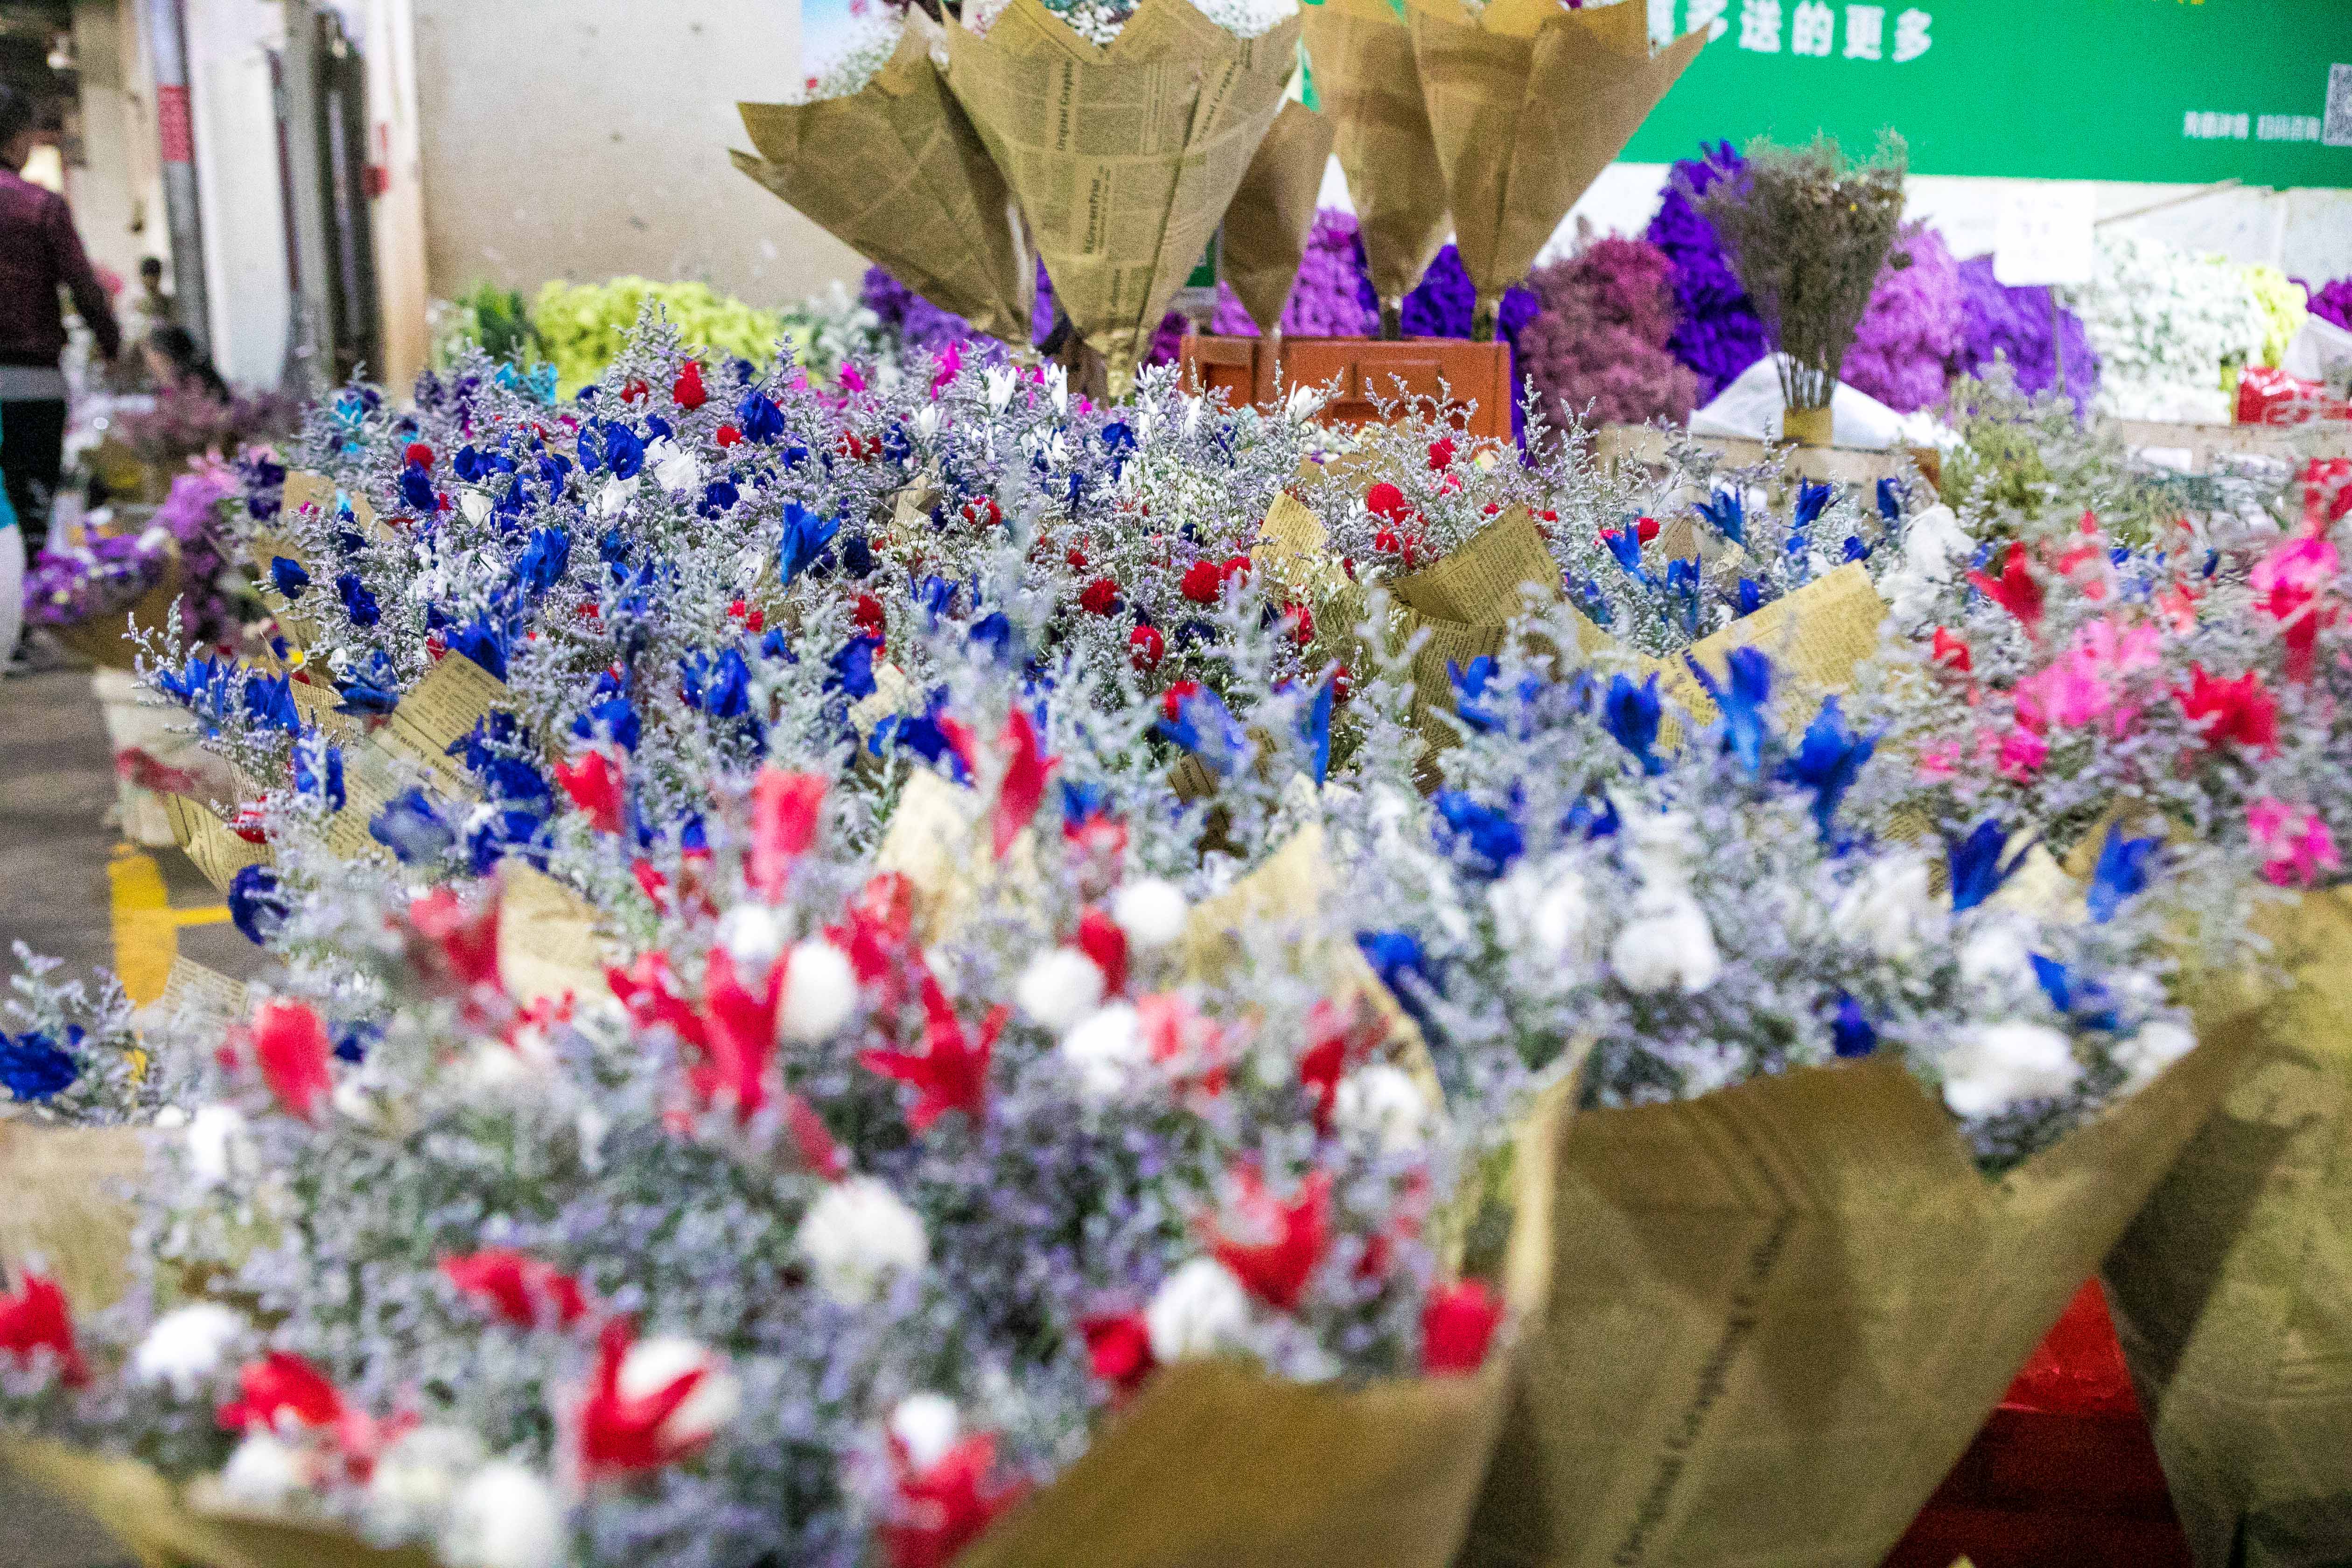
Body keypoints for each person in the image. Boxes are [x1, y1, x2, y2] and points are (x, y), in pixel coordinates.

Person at [0, 83, 122, 566]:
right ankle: (24, 619)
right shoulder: (39, 206)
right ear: (18, 140)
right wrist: (110, 344)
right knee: (31, 512)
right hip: (32, 387)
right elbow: (83, 287)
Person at [142, 323, 230, 404]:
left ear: (167, 358)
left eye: (152, 360)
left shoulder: (193, 384)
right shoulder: (169, 387)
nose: (149, 365)